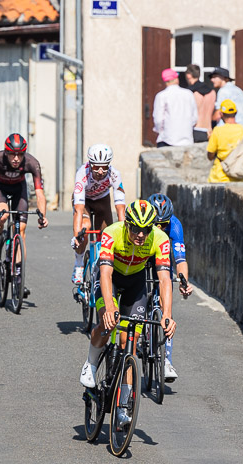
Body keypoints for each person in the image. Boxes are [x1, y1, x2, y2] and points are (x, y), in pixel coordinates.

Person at [79, 200, 177, 429]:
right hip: (110, 279)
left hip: (135, 284)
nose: (141, 235)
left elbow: (164, 279)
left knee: (129, 344)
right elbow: (104, 274)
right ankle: (91, 363)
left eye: (146, 230)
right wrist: (110, 308)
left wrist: (167, 314)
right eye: (135, 229)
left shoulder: (160, 239)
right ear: (127, 225)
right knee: (108, 324)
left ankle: (124, 406)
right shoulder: (112, 233)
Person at [0, 133, 49, 298]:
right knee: (3, 216)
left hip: (18, 190)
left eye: (20, 154)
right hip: (0, 188)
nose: (16, 158)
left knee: (21, 229)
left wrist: (42, 215)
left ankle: (19, 277)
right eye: (12, 154)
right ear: (6, 152)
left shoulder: (32, 163)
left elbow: (40, 193)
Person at [147, 193, 193, 382]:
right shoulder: (143, 223)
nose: (159, 227)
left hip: (163, 258)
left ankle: (166, 360)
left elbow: (180, 259)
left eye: (163, 224)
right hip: (143, 255)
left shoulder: (174, 225)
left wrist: (184, 282)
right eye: (155, 224)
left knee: (166, 306)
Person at [71, 144, 126, 284]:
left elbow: (120, 208)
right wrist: (77, 234)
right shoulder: (82, 173)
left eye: (104, 166)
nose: (101, 171)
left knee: (108, 234)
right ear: (90, 164)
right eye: (96, 167)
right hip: (85, 202)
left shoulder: (114, 174)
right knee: (86, 227)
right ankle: (78, 265)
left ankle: (103, 266)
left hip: (102, 200)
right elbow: (78, 208)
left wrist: (123, 232)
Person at [205, 99, 243, 183]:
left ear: (221, 114)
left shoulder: (217, 131)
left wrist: (210, 140)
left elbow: (210, 156)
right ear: (236, 112)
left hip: (219, 178)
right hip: (239, 177)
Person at [153, 68, 197, 147]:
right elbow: (194, 117)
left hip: (168, 139)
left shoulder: (162, 96)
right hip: (186, 139)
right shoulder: (189, 94)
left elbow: (158, 119)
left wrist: (160, 131)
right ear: (176, 79)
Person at [184, 64, 216, 143]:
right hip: (209, 131)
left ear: (188, 75)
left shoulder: (190, 93)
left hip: (195, 130)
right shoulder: (212, 92)